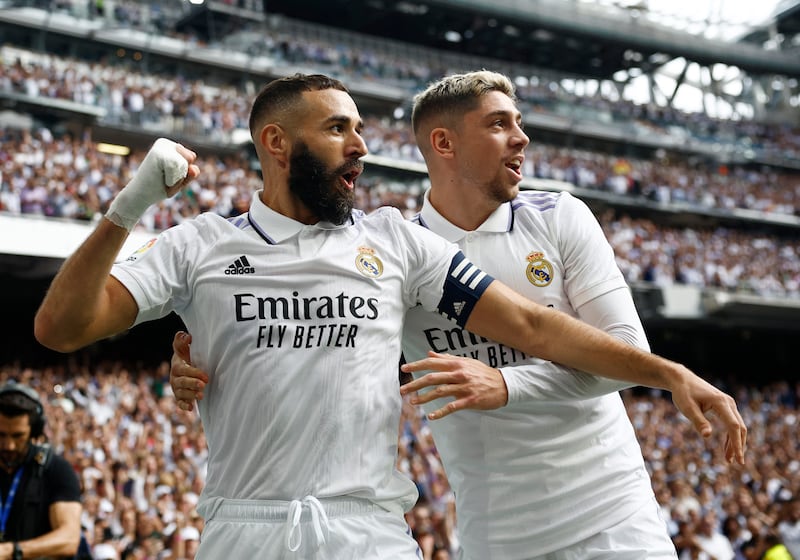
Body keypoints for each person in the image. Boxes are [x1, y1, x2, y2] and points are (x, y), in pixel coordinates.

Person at [35, 73, 746, 559]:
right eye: (339, 128)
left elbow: (531, 327)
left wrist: (667, 371)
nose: (361, 146)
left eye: (361, 129)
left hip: (368, 528)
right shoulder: (200, 246)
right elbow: (61, 329)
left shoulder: (396, 241)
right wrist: (127, 209)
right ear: (278, 143)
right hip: (243, 528)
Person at [0, 382, 83, 560]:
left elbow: (69, 539)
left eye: (18, 436)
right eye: (1, 435)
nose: (8, 445)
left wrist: (10, 551)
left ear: (34, 432)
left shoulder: (55, 469)